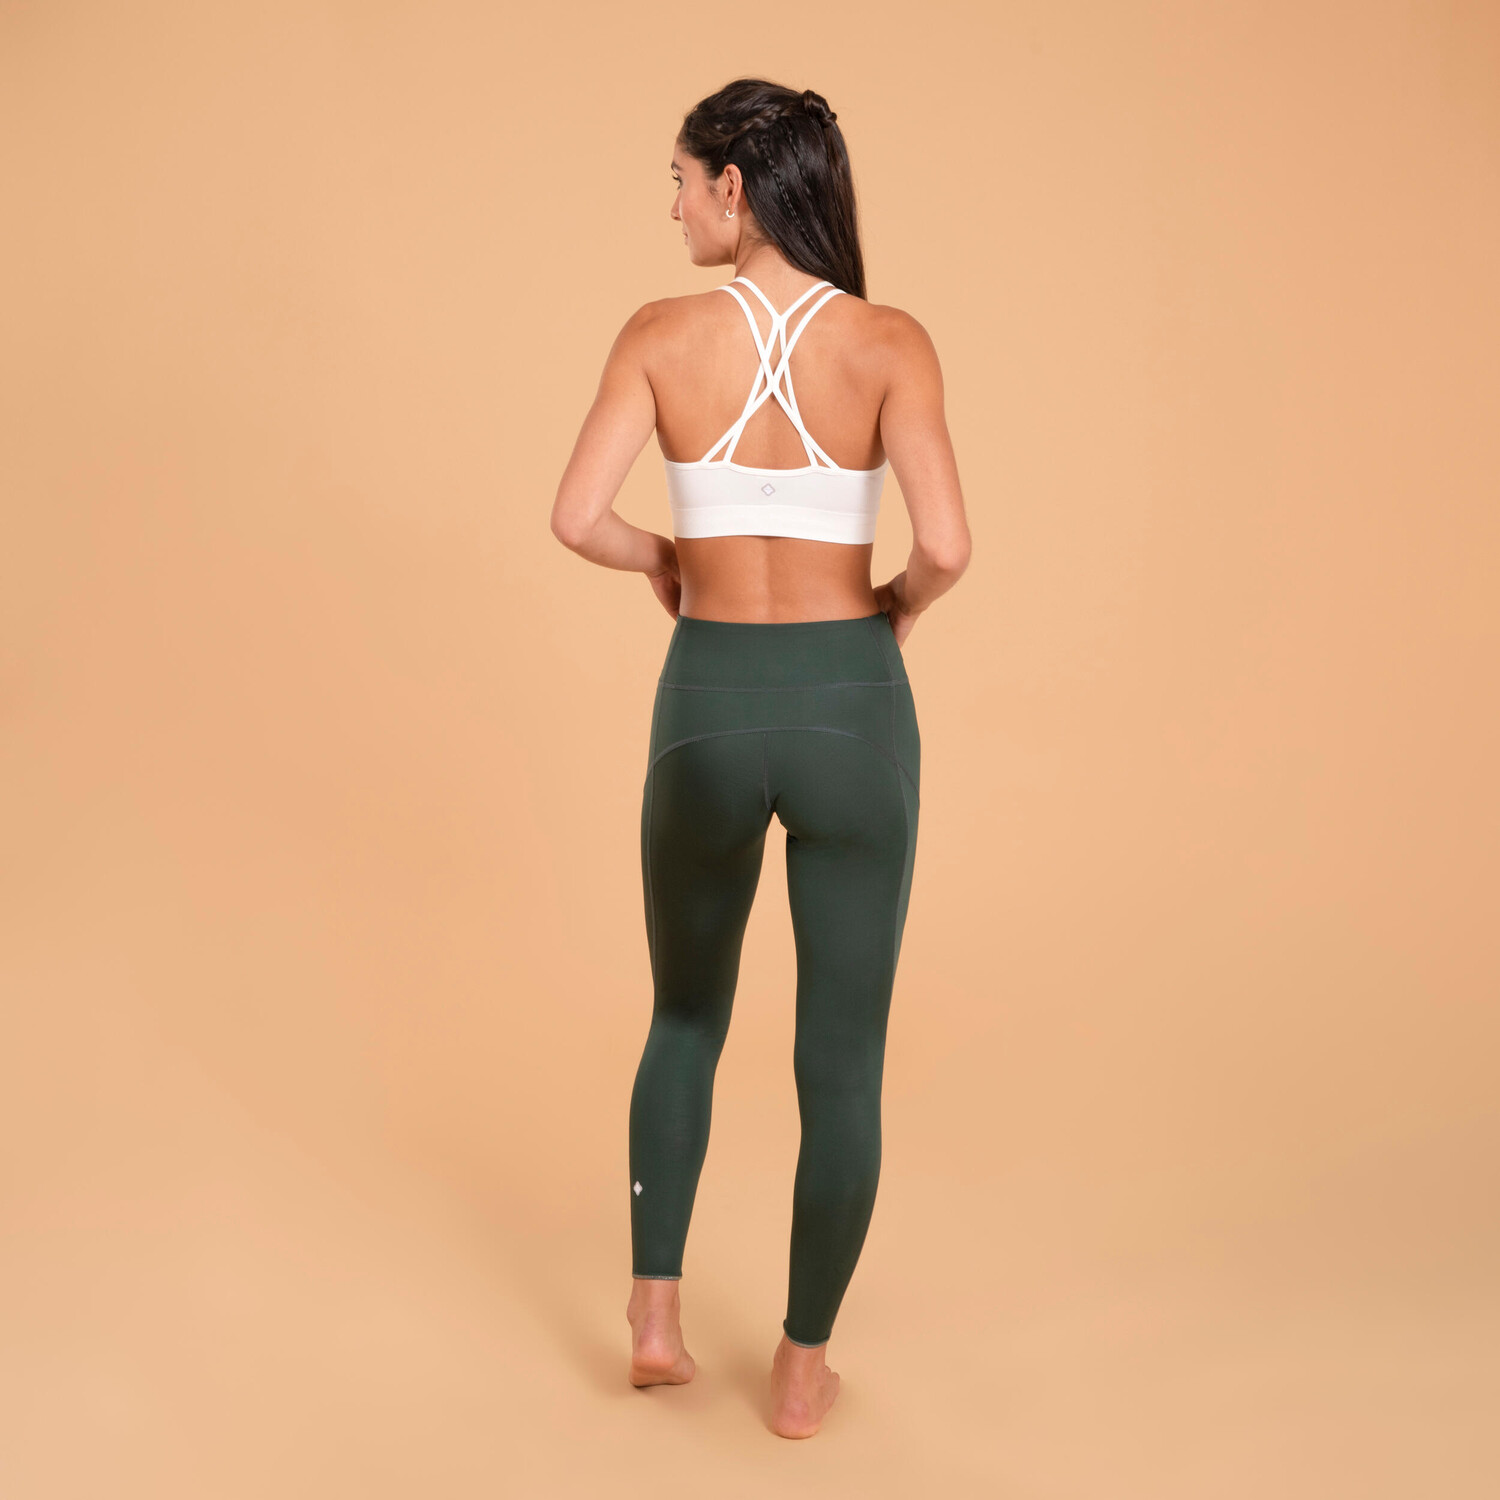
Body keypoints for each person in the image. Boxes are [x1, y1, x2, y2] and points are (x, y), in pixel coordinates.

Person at [550, 77, 971, 1438]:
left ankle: (654, 1319)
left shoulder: (659, 336)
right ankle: (799, 1372)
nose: (673, 207)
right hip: (853, 703)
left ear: (735, 187)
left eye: (680, 181)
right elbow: (948, 546)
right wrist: (891, 612)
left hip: (709, 701)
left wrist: (663, 558)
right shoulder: (891, 341)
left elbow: (576, 516)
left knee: (684, 1017)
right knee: (840, 1063)